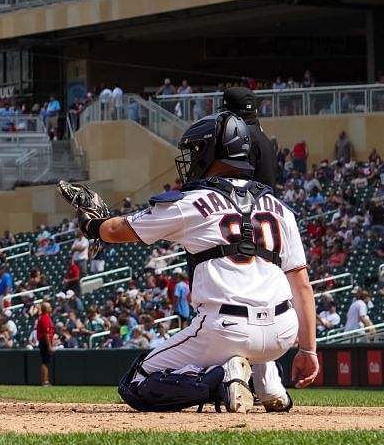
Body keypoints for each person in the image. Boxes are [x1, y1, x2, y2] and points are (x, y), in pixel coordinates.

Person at [59, 112, 318, 414]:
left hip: (225, 328)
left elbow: (116, 231)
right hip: (282, 334)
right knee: (255, 304)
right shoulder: (279, 208)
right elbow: (301, 285)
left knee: (135, 382)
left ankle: (221, 380)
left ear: (213, 152)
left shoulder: (193, 201)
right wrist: (308, 350)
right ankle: (269, 385)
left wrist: (92, 226)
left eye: (196, 149)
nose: (192, 157)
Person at [220, 86, 282, 186]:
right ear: (255, 112)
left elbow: (239, 187)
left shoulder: (241, 139)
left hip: (251, 201)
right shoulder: (263, 138)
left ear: (231, 114)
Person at [35, 301, 56, 386]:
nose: (51, 308)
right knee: (45, 362)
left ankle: (45, 380)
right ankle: (45, 381)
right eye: (49, 307)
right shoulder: (45, 318)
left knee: (46, 361)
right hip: (44, 341)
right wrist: (50, 346)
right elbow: (46, 333)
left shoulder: (45, 317)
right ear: (46, 309)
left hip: (44, 341)